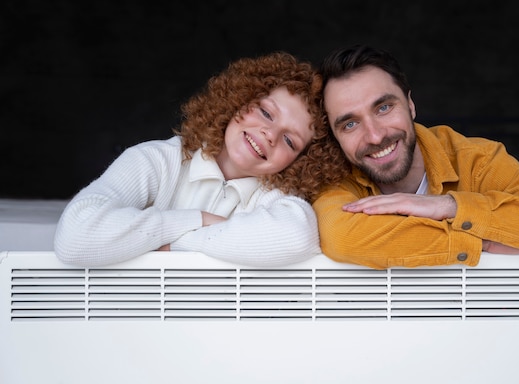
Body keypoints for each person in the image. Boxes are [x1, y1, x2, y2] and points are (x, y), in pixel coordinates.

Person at [312, 44, 519, 269]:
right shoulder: (333, 175)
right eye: (350, 124)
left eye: (384, 108)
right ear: (335, 137)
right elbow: (342, 237)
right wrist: (484, 241)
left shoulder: (476, 160)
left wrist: (448, 207)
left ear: (411, 105)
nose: (375, 136)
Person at [54, 51, 347, 267]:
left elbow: (296, 236)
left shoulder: (273, 196)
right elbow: (75, 238)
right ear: (238, 100)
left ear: (300, 161)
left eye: (289, 140)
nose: (269, 133)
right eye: (266, 113)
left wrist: (180, 243)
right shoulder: (157, 161)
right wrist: (199, 219)